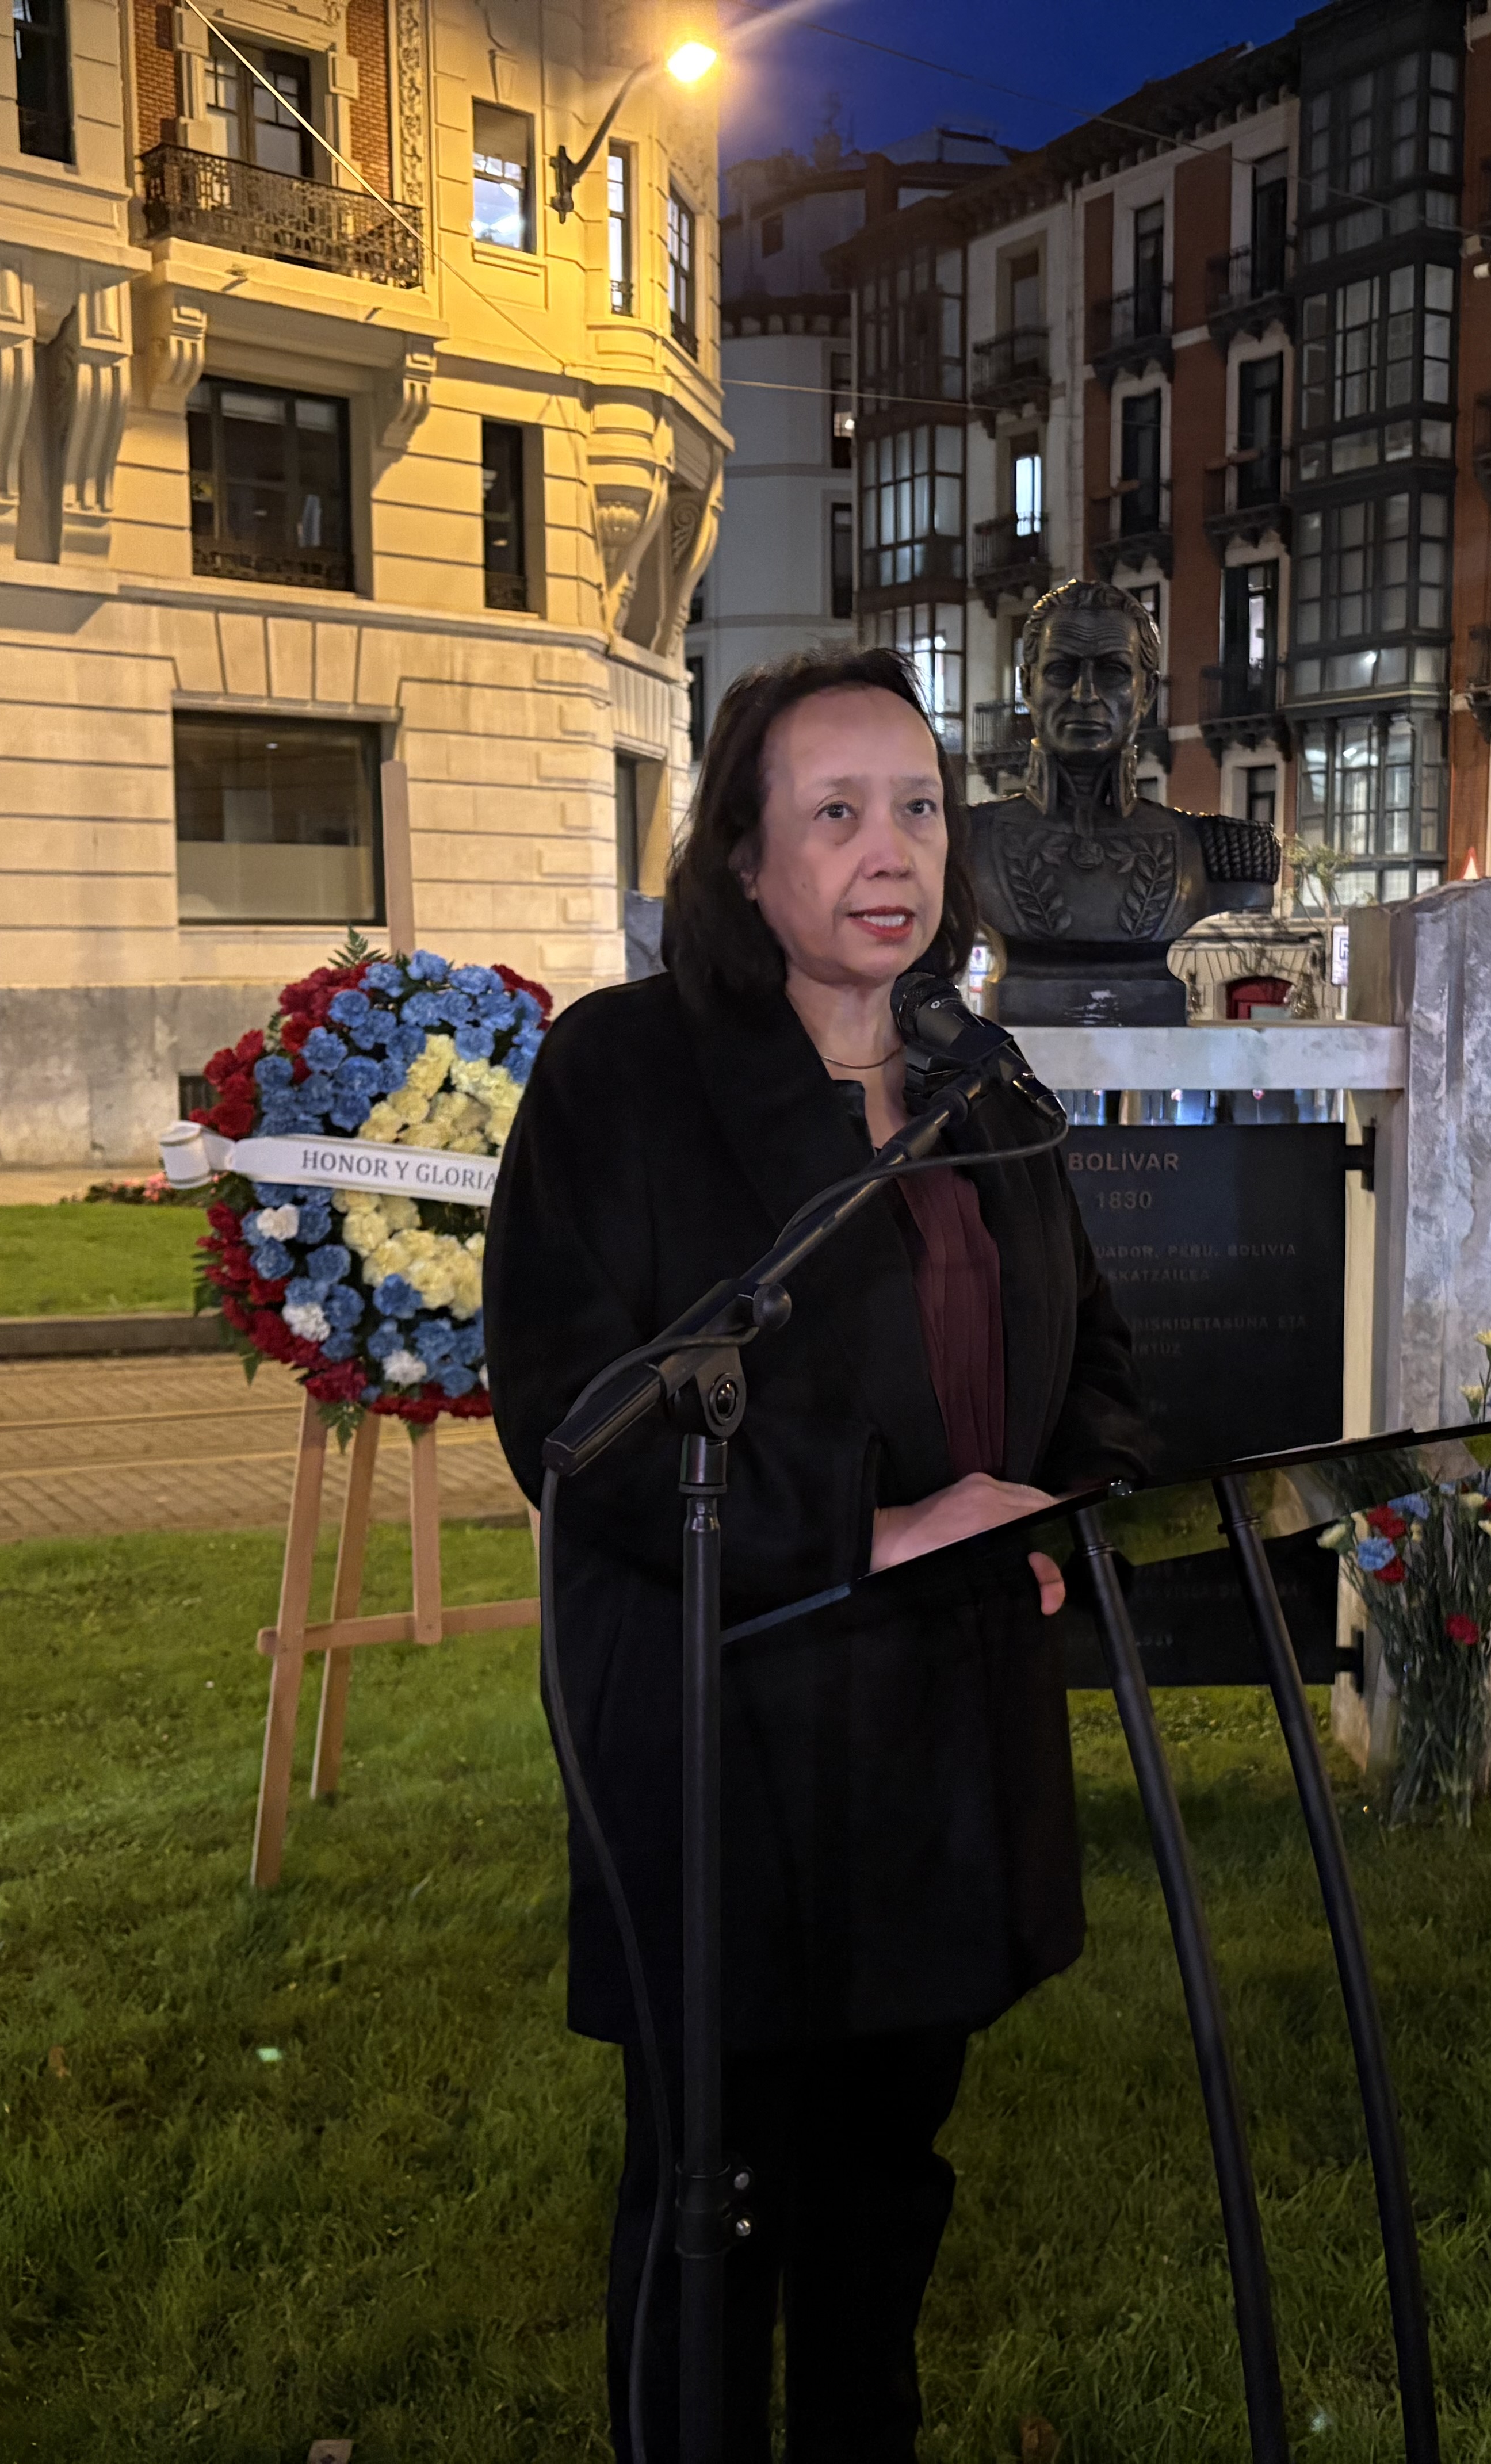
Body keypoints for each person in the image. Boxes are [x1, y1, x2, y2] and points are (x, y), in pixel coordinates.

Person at [486, 645, 1150, 2464]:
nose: (890, 851)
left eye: (919, 807)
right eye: (837, 812)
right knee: (717, 2206)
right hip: (730, 1739)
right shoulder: (623, 1074)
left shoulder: (979, 1079)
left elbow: (1089, 1358)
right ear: (746, 862)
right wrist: (868, 1526)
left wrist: (1056, 1518)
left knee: (884, 2191)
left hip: (947, 1738)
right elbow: (570, 1413)